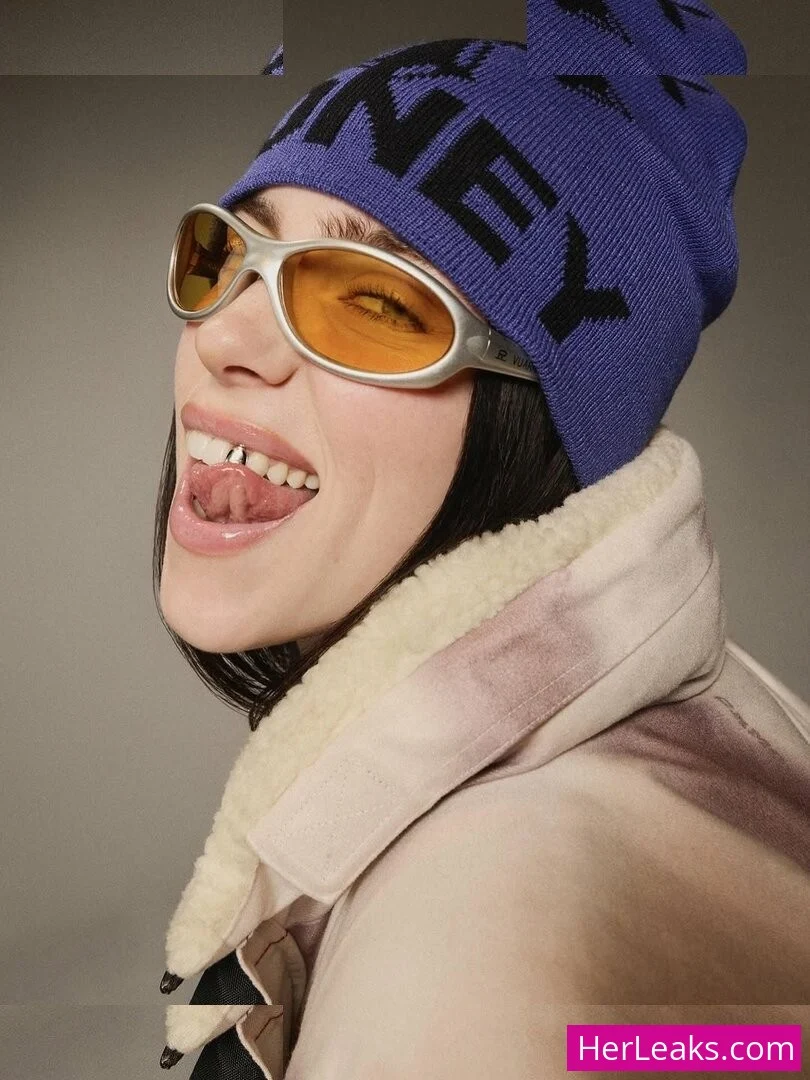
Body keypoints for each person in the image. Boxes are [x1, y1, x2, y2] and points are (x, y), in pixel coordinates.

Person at [154, 24, 810, 1080]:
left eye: (375, 301)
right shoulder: (721, 717)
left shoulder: (466, 942)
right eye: (228, 254)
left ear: (536, 425)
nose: (224, 337)